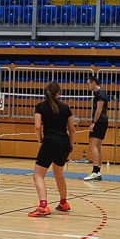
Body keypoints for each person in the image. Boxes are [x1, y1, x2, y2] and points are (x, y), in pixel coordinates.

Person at [29, 81, 75, 217]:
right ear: (58, 93)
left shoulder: (40, 107)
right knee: (58, 173)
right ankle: (63, 203)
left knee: (38, 175)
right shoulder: (65, 108)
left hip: (50, 142)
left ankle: (43, 206)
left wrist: (40, 140)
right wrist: (71, 144)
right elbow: (72, 129)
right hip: (64, 142)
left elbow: (37, 126)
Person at [83, 76, 109, 181]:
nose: (87, 86)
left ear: (93, 83)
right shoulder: (99, 93)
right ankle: (97, 171)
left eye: (88, 83)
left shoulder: (100, 93)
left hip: (100, 121)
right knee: (98, 146)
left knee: (92, 145)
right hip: (102, 121)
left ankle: (95, 171)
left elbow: (99, 109)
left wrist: (93, 123)